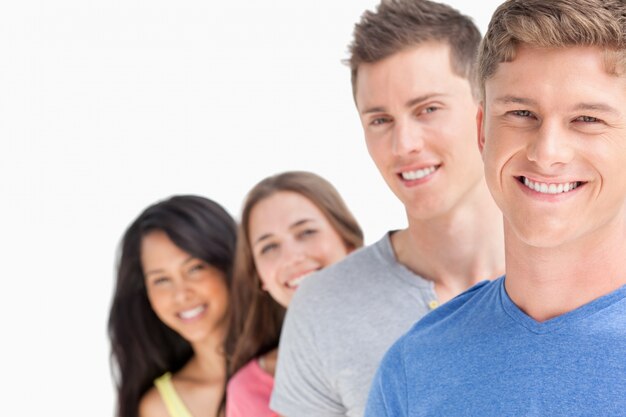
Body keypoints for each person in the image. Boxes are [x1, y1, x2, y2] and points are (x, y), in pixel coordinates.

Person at [365, 0, 626, 415]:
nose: (547, 152)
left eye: (587, 119)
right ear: (482, 133)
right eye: (521, 113)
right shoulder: (416, 364)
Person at [270, 1, 505, 416]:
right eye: (380, 120)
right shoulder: (323, 308)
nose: (404, 145)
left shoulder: (585, 277)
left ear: (483, 110)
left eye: (428, 109)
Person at [224, 171, 364, 417]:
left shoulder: (412, 333)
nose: (291, 258)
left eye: (306, 232)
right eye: (269, 247)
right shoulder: (249, 392)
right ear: (260, 278)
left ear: (348, 242)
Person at [108, 195, 236, 417]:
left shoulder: (288, 364)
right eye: (161, 280)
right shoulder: (158, 408)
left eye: (195, 268)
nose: (181, 294)